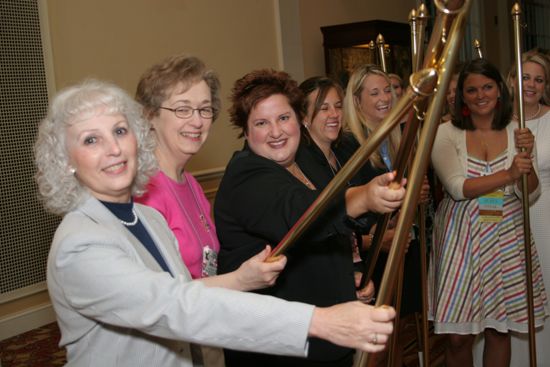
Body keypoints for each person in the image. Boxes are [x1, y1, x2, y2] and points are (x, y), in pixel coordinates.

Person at [34, 79, 398, 367]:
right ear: (66, 160)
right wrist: (318, 322)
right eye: (91, 139)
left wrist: (242, 279)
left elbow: (185, 289)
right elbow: (174, 306)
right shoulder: (80, 244)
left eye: (119, 131)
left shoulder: (146, 218)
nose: (113, 149)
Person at [214, 69, 405, 367]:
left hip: (325, 339)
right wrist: (364, 196)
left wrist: (345, 281)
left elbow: (319, 242)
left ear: (299, 119)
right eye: (261, 123)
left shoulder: (304, 163)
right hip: (277, 346)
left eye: (284, 118)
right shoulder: (245, 174)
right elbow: (303, 213)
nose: (276, 132)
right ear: (246, 131)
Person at [429, 58, 548, 367]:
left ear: (499, 90)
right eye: (471, 90)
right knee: (458, 335)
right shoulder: (445, 133)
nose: (480, 95)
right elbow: (458, 187)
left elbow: (529, 191)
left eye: (487, 87)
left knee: (499, 328)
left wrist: (526, 157)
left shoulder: (516, 132)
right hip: (460, 237)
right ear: (461, 97)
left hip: (506, 234)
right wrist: (509, 174)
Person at [343, 63, 426, 367]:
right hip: (373, 255)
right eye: (374, 92)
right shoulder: (350, 144)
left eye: (387, 90)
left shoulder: (394, 136)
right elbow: (347, 208)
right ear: (357, 100)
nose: (384, 97)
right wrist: (376, 239)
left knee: (400, 330)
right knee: (376, 342)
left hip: (402, 245)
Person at [508, 51, 550, 367]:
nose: (531, 84)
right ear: (512, 81)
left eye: (538, 79)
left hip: (546, 216)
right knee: (512, 296)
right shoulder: (494, 121)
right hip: (507, 216)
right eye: (525, 77)